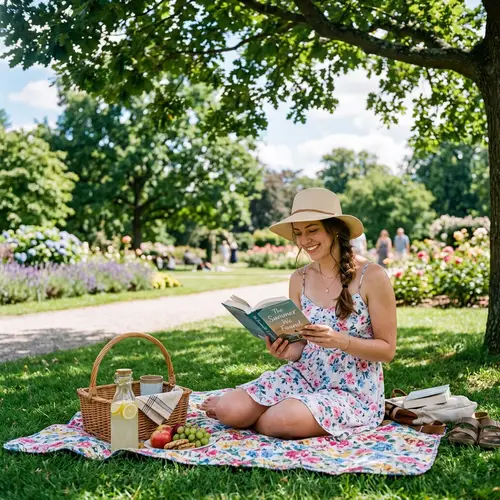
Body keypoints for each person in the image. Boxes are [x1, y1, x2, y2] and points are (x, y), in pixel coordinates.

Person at [200, 187, 397, 440]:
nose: (304, 241)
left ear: (334, 228)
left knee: (280, 420)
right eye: (298, 234)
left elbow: (387, 350)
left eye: (312, 230)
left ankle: (269, 416)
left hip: (351, 390)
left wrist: (341, 341)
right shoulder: (299, 279)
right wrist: (284, 350)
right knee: (229, 410)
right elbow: (300, 348)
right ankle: (261, 414)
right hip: (303, 375)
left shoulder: (373, 276)